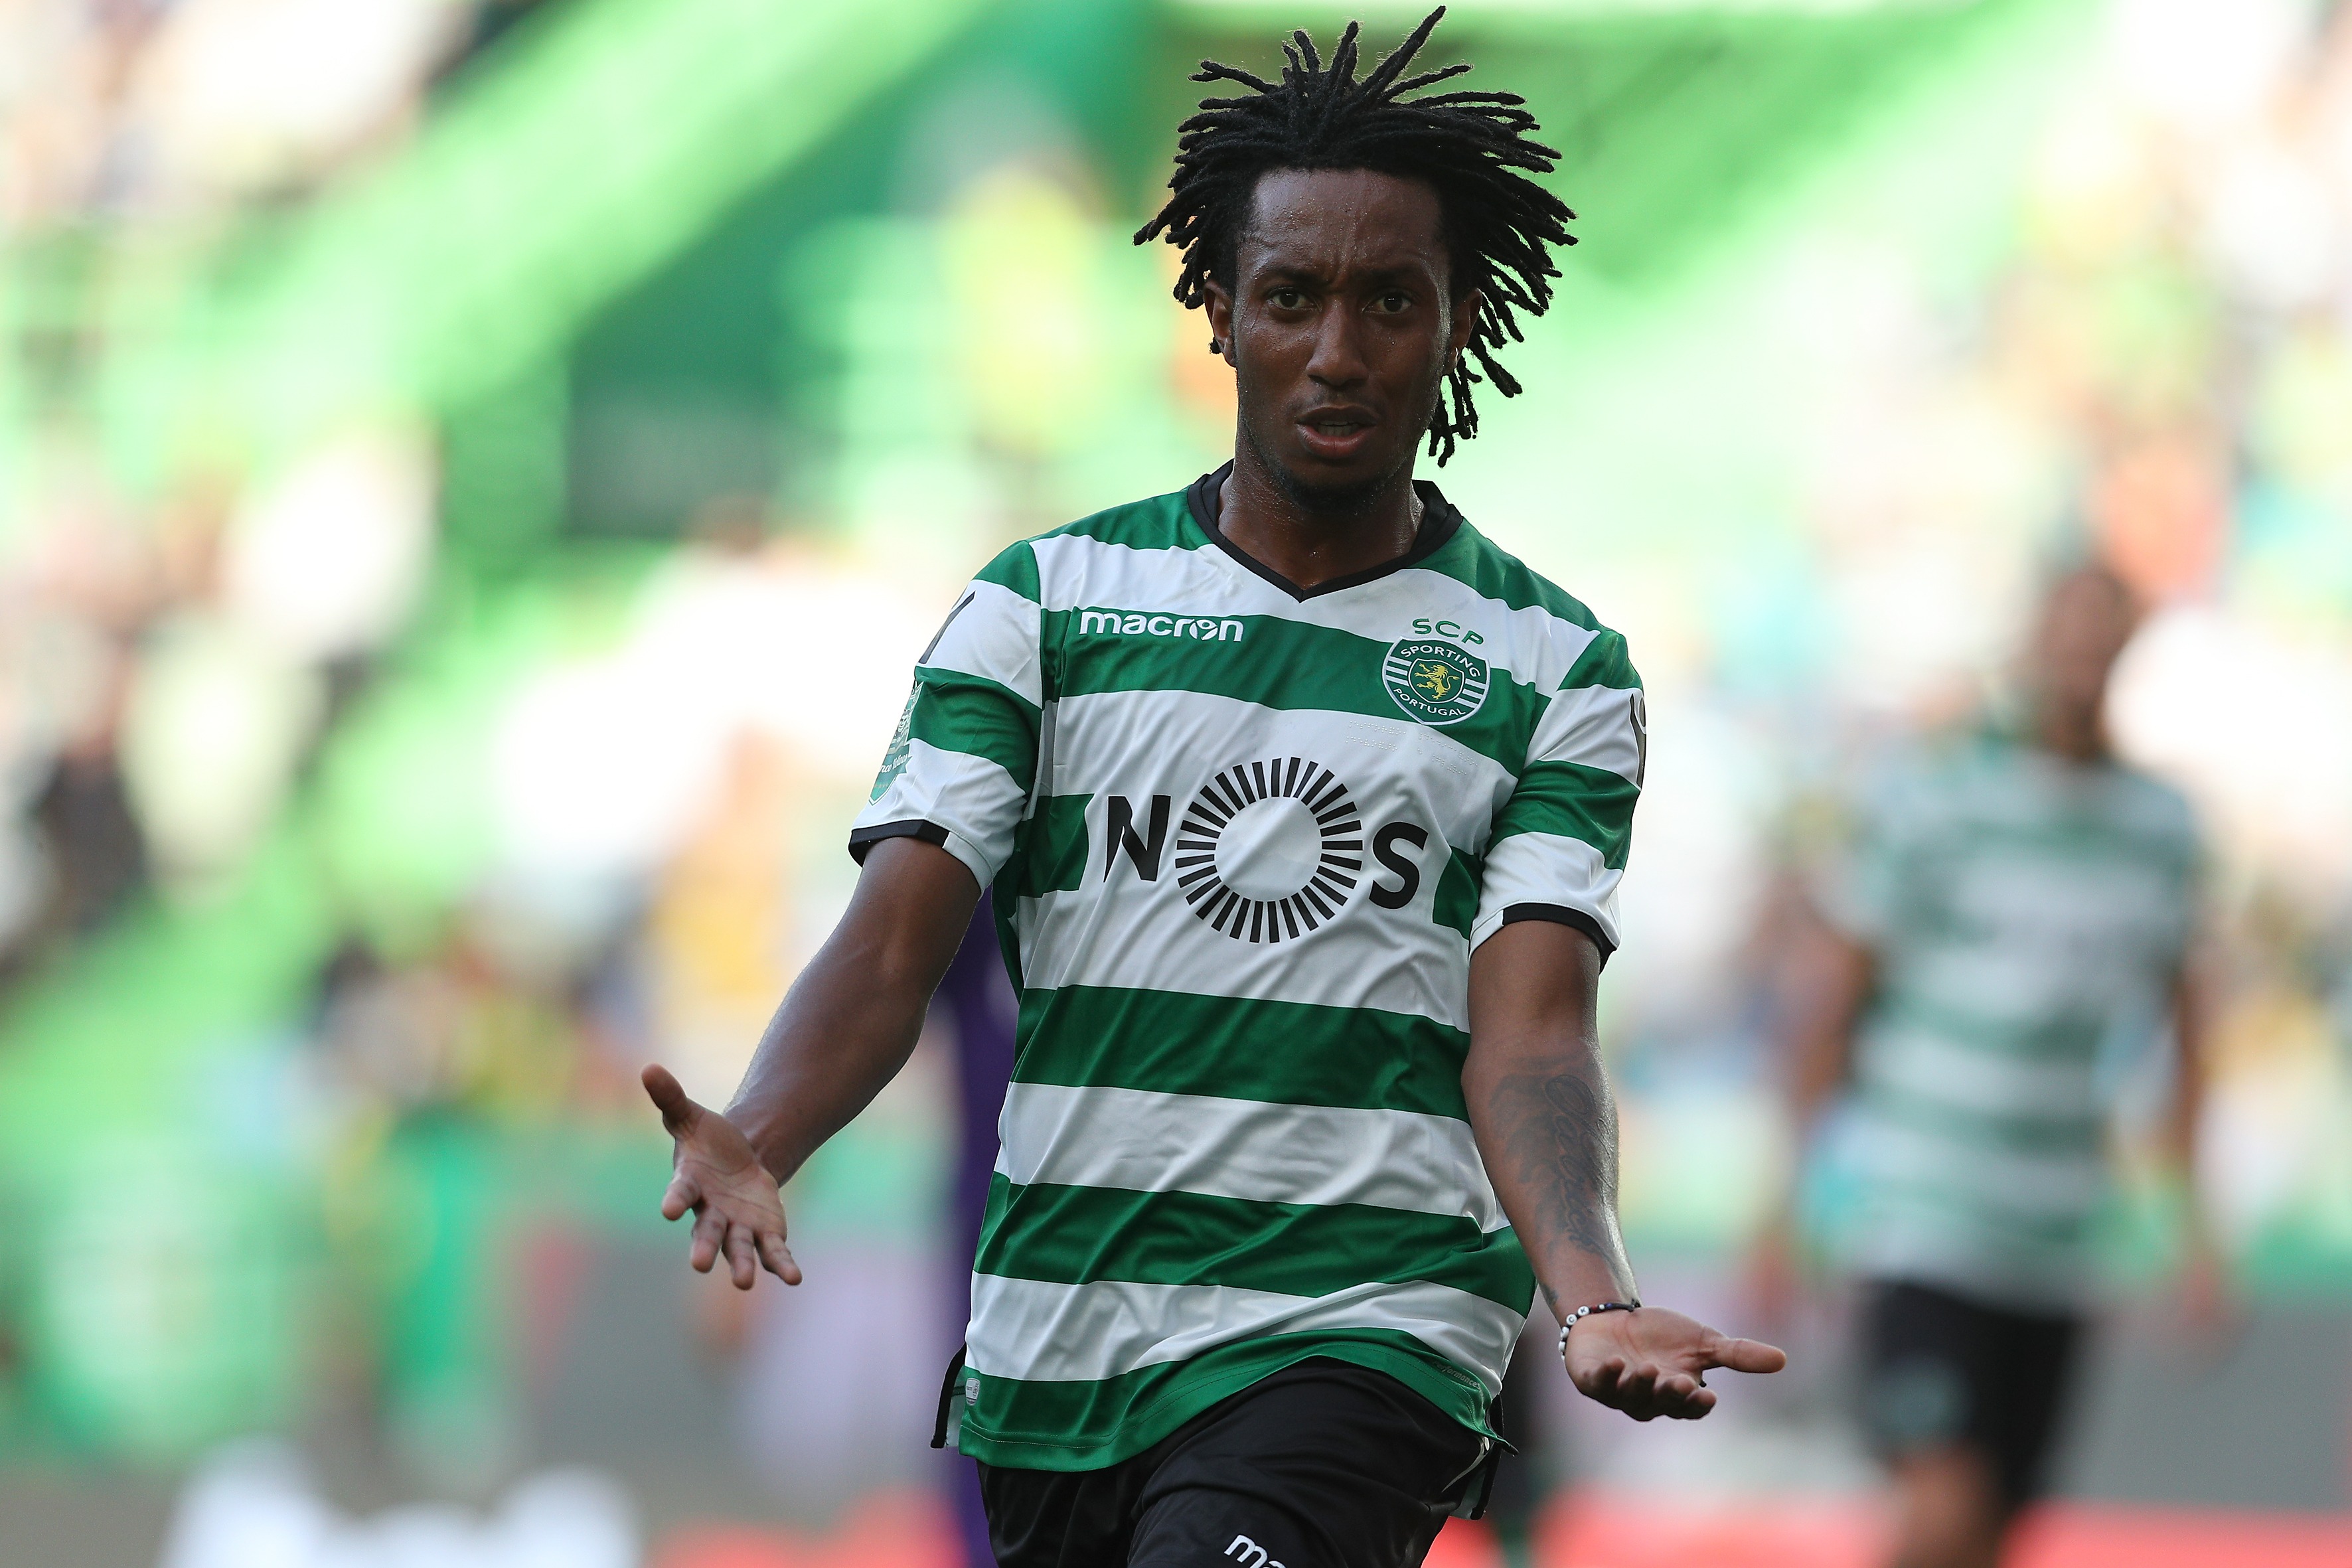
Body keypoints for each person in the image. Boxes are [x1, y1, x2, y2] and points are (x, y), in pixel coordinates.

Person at [642, 12, 1784, 1566]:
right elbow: (892, 941)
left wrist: (1587, 1294)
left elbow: (1532, 1031)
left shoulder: (1552, 668)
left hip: (1361, 1335)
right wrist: (760, 1132)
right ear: (1220, 312)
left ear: (1457, 321)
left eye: (1389, 300)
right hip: (1061, 1347)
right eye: (1291, 296)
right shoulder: (1041, 608)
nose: (1337, 349)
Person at [1756, 564, 2225, 1568]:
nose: (2082, 651)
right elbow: (1836, 999)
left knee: (1992, 1531)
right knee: (1941, 1506)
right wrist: (1784, 1203)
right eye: (2066, 627)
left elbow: (2185, 1029)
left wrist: (2195, 1232)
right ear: (2032, 640)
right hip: (1925, 1212)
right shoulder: (1938, 794)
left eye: (2103, 630)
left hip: (2055, 1229)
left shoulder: (2159, 827)